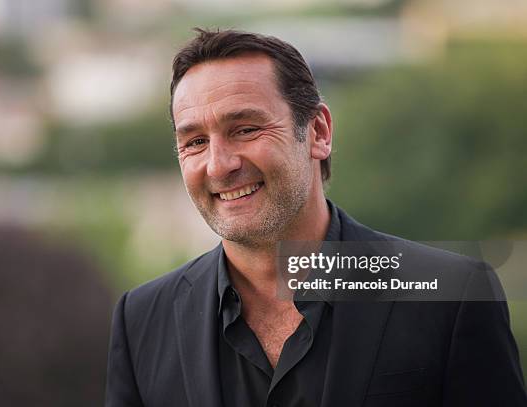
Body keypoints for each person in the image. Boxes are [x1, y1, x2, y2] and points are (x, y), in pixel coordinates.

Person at [105, 28, 527, 407]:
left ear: (319, 132)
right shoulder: (142, 318)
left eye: (246, 129)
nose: (218, 165)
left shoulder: (450, 296)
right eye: (195, 141)